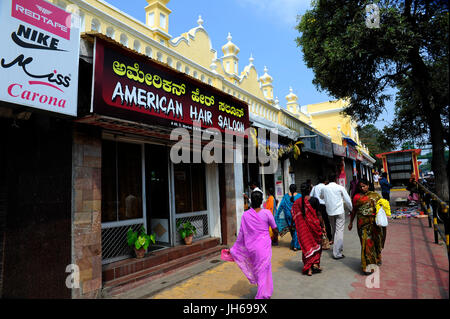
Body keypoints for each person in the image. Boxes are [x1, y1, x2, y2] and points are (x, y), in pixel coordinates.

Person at [227, 190, 278, 299]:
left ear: (251, 201)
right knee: (263, 270)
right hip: (264, 247)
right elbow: (275, 229)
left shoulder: (246, 215)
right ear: (261, 201)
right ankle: (261, 296)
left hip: (252, 248)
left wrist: (233, 249)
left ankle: (265, 292)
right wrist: (275, 238)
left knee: (260, 270)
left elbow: (241, 234)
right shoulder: (267, 213)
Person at [348, 179, 388, 274]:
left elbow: (382, 209)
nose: (362, 188)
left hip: (375, 224)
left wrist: (384, 220)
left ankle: (377, 258)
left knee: (376, 241)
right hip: (363, 225)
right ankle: (368, 266)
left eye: (364, 186)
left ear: (368, 186)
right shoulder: (356, 197)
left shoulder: (376, 196)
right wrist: (351, 223)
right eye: (360, 187)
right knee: (367, 243)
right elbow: (354, 211)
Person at [292, 182, 324, 276]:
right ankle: (315, 264)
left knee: (307, 247)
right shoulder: (314, 200)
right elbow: (319, 214)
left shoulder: (297, 202)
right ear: (310, 190)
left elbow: (294, 216)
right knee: (317, 246)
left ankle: (309, 268)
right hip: (315, 227)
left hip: (304, 230)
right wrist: (322, 226)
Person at [320, 173, 353, 260]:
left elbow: (321, 196)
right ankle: (337, 253)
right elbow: (348, 200)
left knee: (334, 229)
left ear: (328, 180)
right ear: (336, 179)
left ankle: (338, 247)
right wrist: (351, 209)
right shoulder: (340, 187)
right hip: (339, 211)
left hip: (330, 212)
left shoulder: (324, 188)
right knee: (339, 230)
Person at [276, 184, 302, 251]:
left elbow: (281, 206)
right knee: (297, 229)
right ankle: (296, 245)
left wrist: (277, 216)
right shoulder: (299, 196)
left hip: (288, 216)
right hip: (297, 215)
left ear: (289, 189)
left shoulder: (285, 196)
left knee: (291, 229)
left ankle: (293, 242)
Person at [310, 175, 332, 243]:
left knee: (318, 222)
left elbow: (311, 195)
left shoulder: (315, 187)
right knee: (326, 221)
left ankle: (319, 238)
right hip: (324, 205)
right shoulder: (326, 187)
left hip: (316, 205)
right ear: (325, 181)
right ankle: (329, 238)